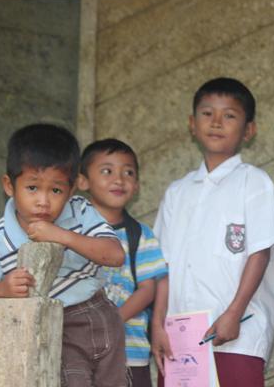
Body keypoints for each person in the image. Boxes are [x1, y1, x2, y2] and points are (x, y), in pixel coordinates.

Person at [151, 77, 274, 387]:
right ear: (192, 124)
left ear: (249, 130)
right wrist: (157, 323)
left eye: (230, 115)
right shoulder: (177, 192)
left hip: (237, 333)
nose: (217, 122)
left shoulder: (255, 182)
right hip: (179, 335)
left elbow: (259, 253)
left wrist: (234, 313)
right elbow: (163, 266)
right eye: (207, 113)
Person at [0, 123, 127, 386]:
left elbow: (115, 255)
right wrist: (1, 289)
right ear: (9, 185)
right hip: (56, 328)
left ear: (72, 189)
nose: (43, 201)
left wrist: (61, 235)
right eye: (32, 188)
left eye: (55, 190)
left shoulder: (80, 211)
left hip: (102, 315)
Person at [78, 138, 169, 387]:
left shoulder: (141, 234)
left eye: (128, 172)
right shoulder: (72, 234)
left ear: (137, 185)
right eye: (107, 171)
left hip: (130, 352)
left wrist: (112, 321)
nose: (119, 179)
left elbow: (148, 289)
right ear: (82, 181)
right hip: (77, 353)